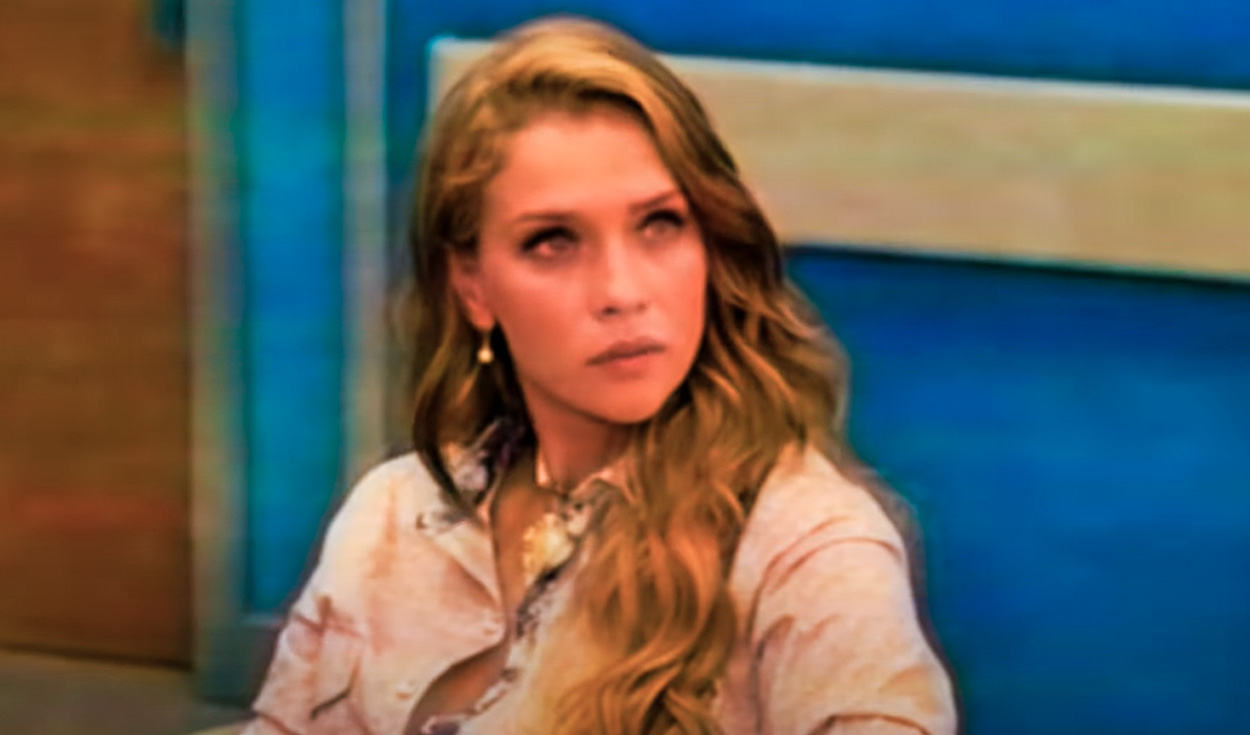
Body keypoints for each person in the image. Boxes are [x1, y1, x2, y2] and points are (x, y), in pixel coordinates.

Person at [242, 15, 956, 735]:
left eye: (659, 225)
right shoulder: (391, 515)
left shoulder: (807, 546)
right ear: (473, 287)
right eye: (553, 241)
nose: (621, 291)